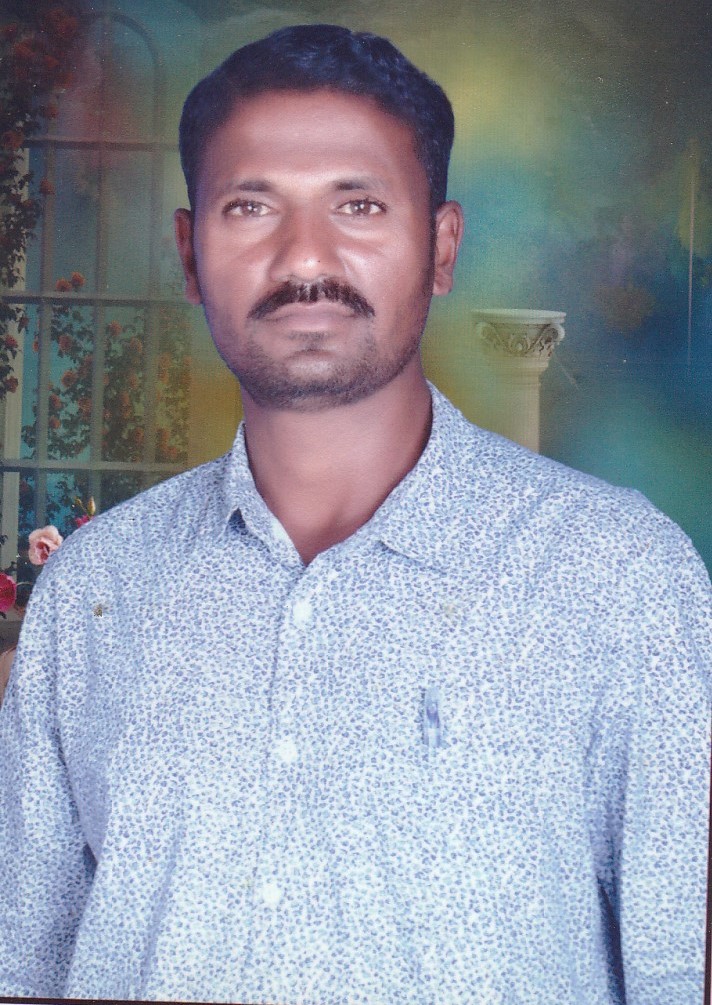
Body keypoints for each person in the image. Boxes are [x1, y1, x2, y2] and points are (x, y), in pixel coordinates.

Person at [0, 23, 709, 1005]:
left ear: (442, 245)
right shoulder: (96, 588)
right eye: (251, 206)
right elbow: (25, 966)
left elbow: (682, 972)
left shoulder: (620, 577)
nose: (305, 257)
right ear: (190, 253)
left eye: (360, 205)